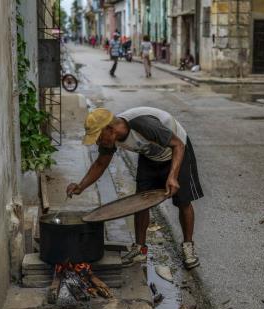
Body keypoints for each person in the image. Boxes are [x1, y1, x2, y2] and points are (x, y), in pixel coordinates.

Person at [66, 107, 203, 269]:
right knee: (140, 201)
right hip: (150, 156)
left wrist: (172, 176)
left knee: (183, 201)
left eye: (98, 137)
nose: (98, 142)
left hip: (177, 153)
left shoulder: (143, 124)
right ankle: (140, 249)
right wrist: (80, 186)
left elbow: (178, 145)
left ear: (110, 129)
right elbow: (101, 163)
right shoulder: (111, 137)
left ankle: (188, 246)